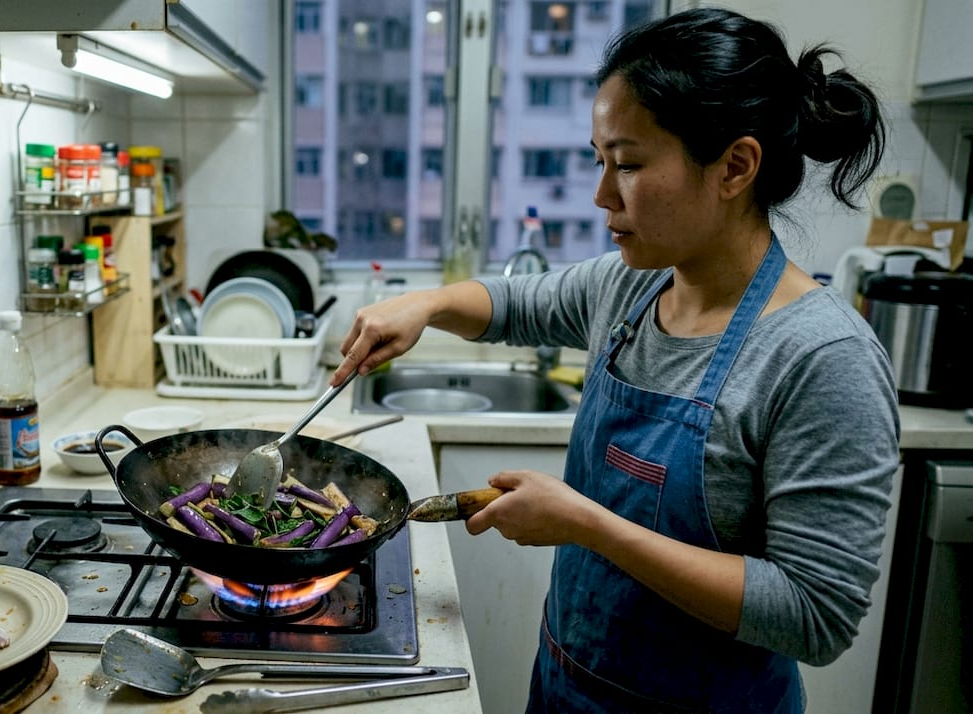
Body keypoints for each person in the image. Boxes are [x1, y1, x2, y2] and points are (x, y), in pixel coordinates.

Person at [332, 7, 899, 712]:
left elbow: (815, 614)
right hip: (568, 686)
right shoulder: (631, 286)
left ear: (735, 166)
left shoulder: (823, 358)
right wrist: (424, 305)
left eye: (628, 165)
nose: (602, 196)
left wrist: (587, 524)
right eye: (600, 161)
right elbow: (516, 305)